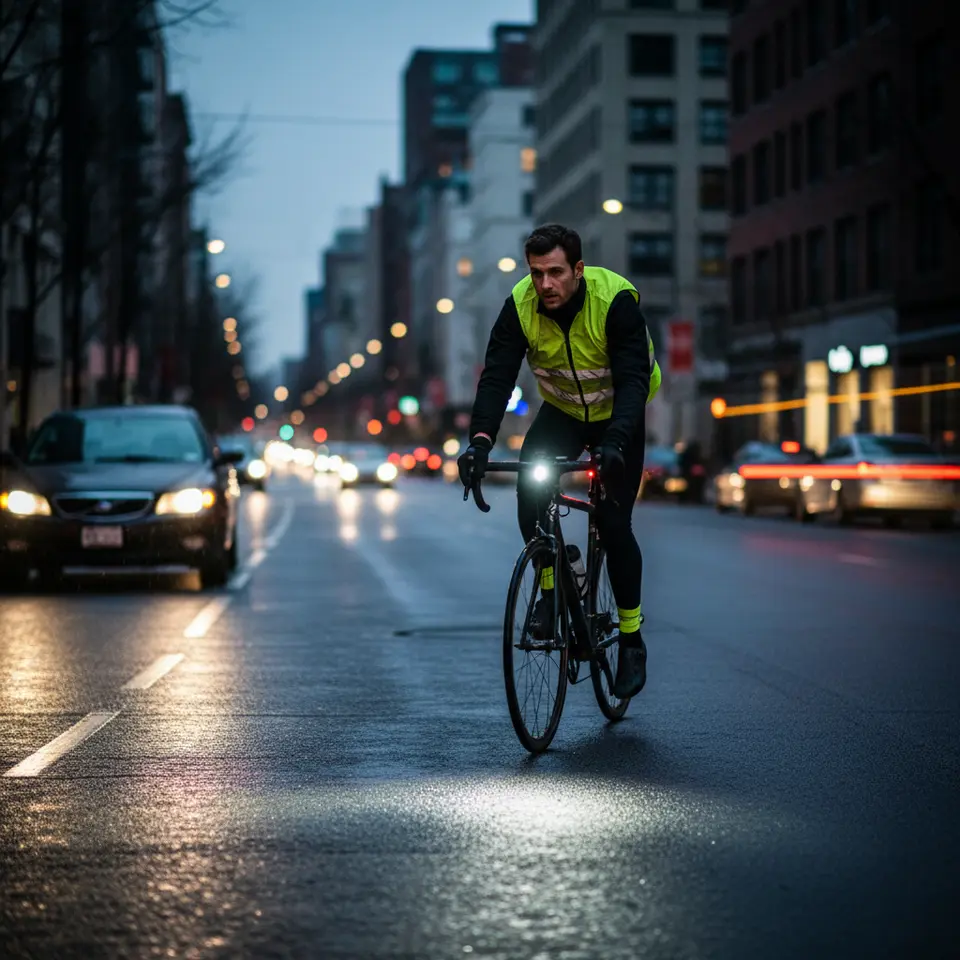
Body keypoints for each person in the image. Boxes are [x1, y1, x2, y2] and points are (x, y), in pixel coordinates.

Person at [458, 223, 661, 699]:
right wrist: (480, 442)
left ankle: (631, 639)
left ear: (578, 270)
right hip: (566, 410)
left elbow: (633, 382)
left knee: (614, 525)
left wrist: (615, 441)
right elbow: (497, 378)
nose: (544, 284)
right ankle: (550, 590)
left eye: (554, 272)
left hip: (619, 413)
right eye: (536, 273)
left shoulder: (615, 302)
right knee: (531, 500)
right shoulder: (522, 306)